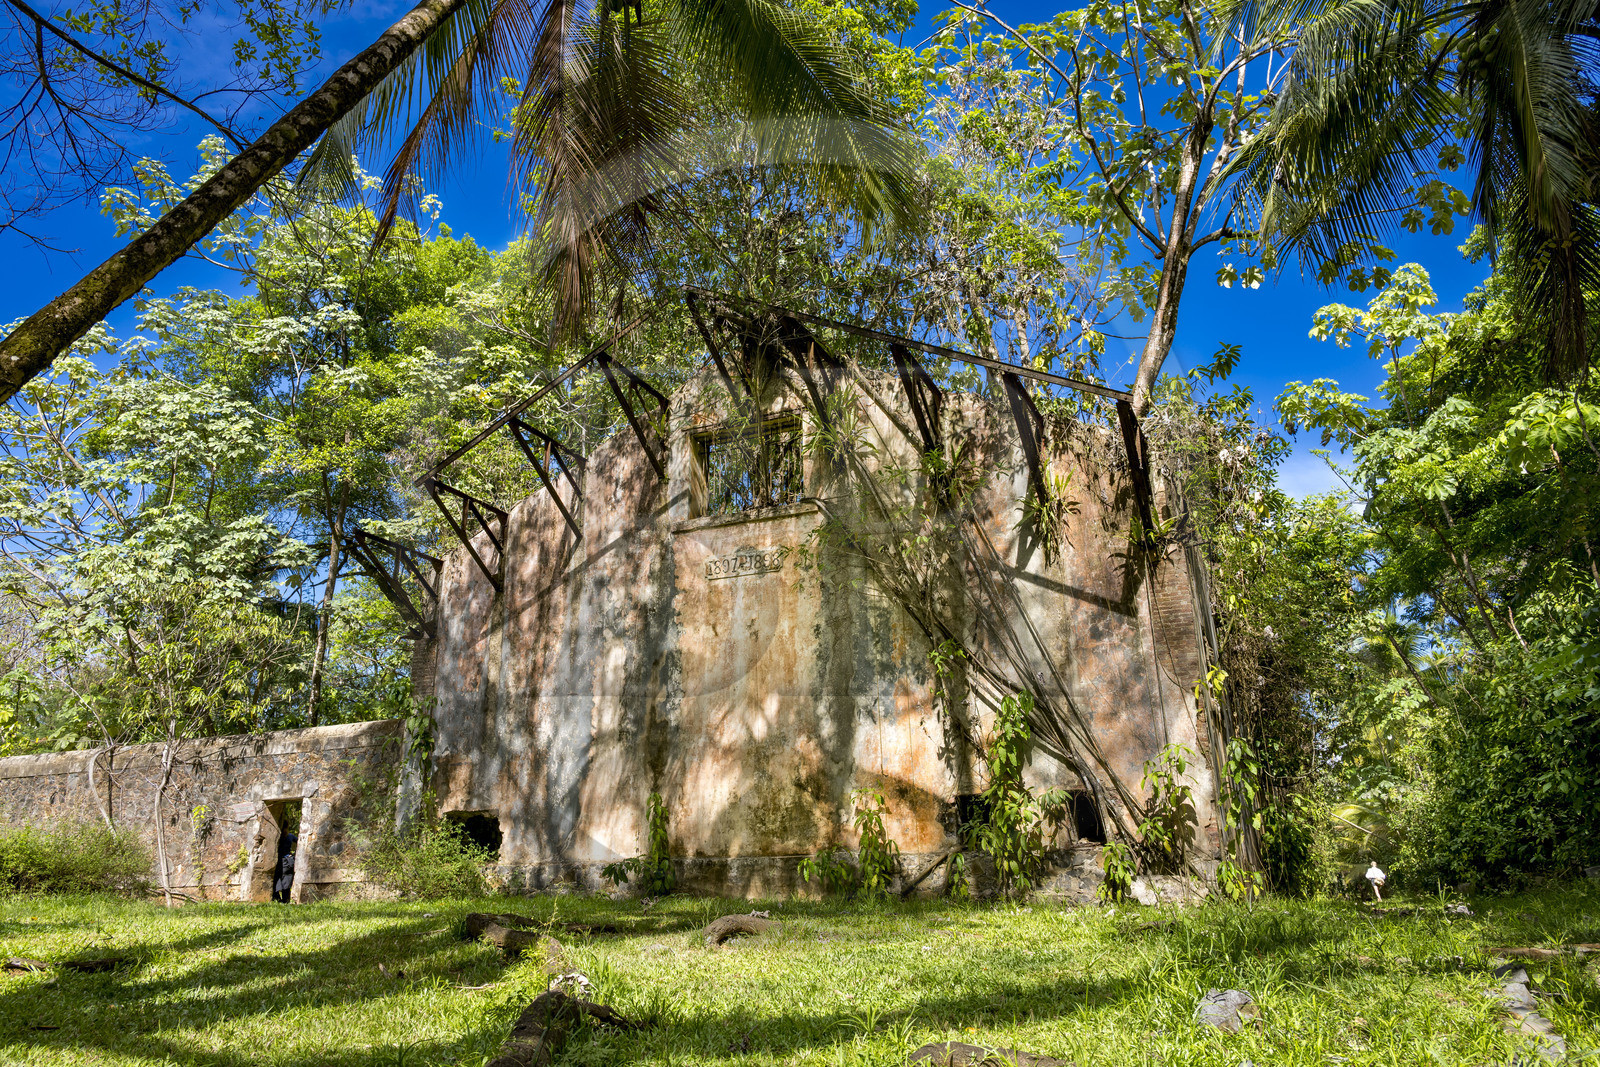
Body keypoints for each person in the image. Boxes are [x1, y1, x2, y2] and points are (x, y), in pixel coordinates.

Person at [273, 831, 298, 903]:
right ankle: (285, 900)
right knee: (287, 880)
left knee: (276, 879)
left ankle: (277, 898)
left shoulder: (277, 835)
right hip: (288, 861)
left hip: (279, 860)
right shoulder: (289, 836)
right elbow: (300, 842)